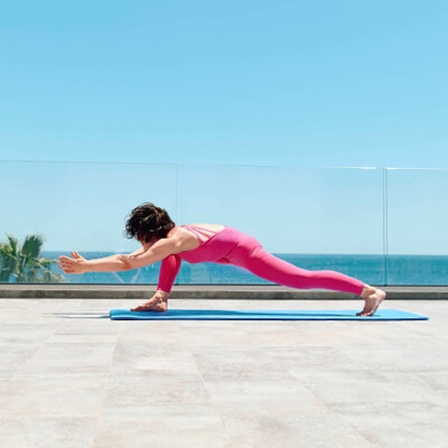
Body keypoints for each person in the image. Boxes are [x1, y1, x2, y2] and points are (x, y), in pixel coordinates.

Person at [58, 202, 386, 316]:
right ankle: (161, 299)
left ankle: (369, 291)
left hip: (244, 250)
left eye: (142, 237)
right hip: (224, 250)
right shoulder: (172, 241)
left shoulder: (178, 238)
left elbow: (130, 262)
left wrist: (86, 267)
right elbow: (135, 255)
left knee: (299, 278)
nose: (141, 244)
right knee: (172, 258)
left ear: (151, 231)